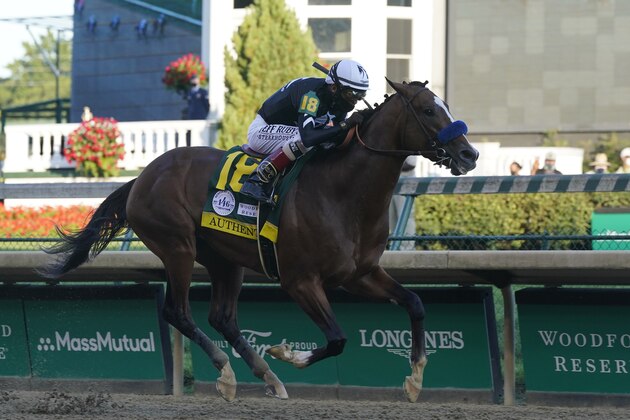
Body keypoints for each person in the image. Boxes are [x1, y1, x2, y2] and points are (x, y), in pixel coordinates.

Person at [240, 59, 371, 203]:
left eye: (360, 95)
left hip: (286, 134)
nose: (355, 101)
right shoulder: (312, 95)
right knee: (304, 138)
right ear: (334, 87)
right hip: (261, 131)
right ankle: (258, 179)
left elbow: (335, 136)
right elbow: (307, 137)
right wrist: (344, 125)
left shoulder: (336, 101)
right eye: (351, 94)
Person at [389, 156, 417, 250]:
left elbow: (411, 164)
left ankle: (408, 249)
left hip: (406, 179)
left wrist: (387, 164)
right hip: (390, 179)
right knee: (391, 218)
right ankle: (394, 247)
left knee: (405, 216)